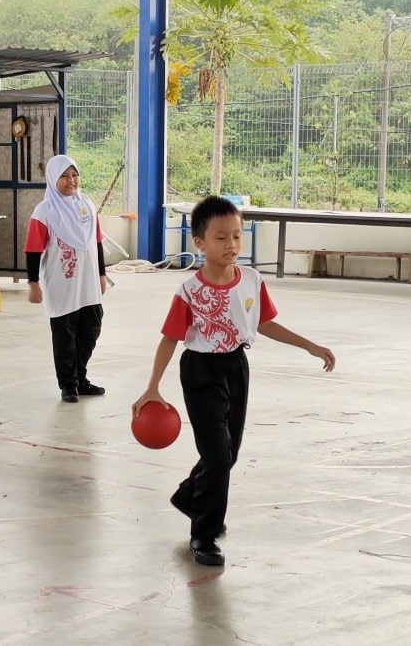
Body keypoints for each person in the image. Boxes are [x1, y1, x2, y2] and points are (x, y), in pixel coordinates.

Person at [131, 195, 335, 567]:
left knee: (230, 453)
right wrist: (152, 386)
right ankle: (204, 535)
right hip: (200, 371)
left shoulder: (252, 281)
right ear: (200, 243)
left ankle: (189, 496)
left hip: (236, 368)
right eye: (221, 237)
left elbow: (264, 322)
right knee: (217, 454)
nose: (232, 245)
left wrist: (309, 345)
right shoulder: (190, 291)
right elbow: (170, 338)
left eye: (237, 236)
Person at [24, 154, 107, 403]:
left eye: (74, 175)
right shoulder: (44, 211)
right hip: (62, 284)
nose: (71, 180)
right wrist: (33, 283)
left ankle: (81, 379)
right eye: (64, 176)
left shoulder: (87, 206)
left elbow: (98, 242)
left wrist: (102, 273)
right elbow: (33, 249)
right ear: (52, 179)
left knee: (91, 329)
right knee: (65, 336)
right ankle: (68, 385)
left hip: (89, 283)